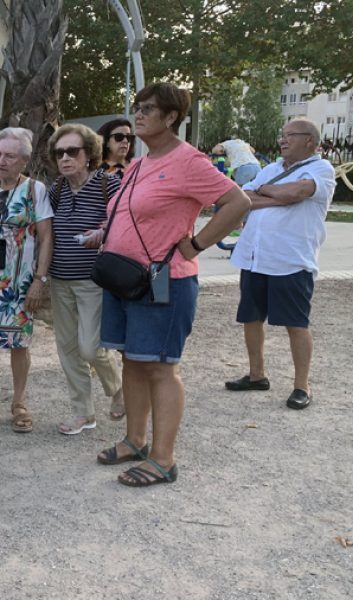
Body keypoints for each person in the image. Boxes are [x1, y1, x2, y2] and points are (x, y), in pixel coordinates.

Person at [93, 82, 250, 487]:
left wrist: (196, 244)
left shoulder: (189, 161)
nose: (138, 115)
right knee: (132, 360)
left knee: (161, 368)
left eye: (148, 109)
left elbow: (238, 203)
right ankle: (135, 440)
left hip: (163, 279)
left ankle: (163, 458)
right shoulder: (140, 163)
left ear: (171, 118)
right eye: (136, 107)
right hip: (124, 278)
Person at [224, 118, 336, 410]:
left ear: (309, 141)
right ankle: (256, 375)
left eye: (290, 135)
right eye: (282, 135)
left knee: (295, 323)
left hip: (290, 260)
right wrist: (277, 196)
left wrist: (269, 193)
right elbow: (242, 198)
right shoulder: (271, 170)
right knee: (250, 317)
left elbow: (295, 194)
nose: (283, 140)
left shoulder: (320, 169)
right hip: (254, 255)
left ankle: (302, 386)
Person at [45, 123, 126, 433]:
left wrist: (104, 233)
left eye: (72, 151)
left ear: (89, 153)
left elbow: (125, 221)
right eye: (59, 152)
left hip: (93, 280)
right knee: (67, 348)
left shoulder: (109, 184)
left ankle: (118, 389)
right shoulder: (58, 189)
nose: (65, 158)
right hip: (59, 279)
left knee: (91, 347)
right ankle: (83, 412)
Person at [0, 127, 51, 433]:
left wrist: (39, 281)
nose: (1, 161)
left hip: (18, 282)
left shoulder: (35, 190)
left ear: (24, 161)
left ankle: (19, 402)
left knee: (20, 343)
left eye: (10, 156)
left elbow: (46, 238)